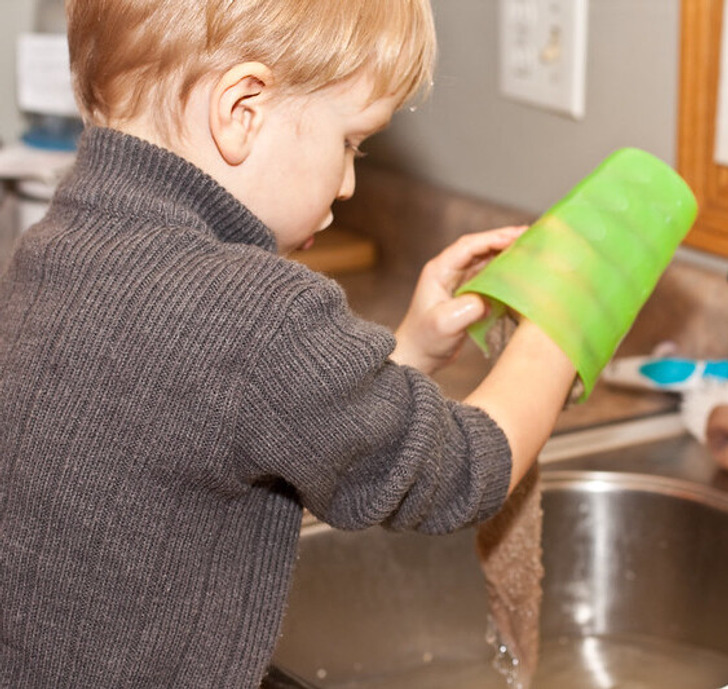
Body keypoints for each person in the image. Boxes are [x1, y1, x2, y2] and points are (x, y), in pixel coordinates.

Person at [0, 0, 576, 687]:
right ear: (242, 110)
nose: (350, 181)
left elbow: (254, 417)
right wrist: (559, 329)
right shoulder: (258, 312)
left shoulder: (52, 247)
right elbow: (462, 472)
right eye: (351, 142)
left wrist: (411, 348)